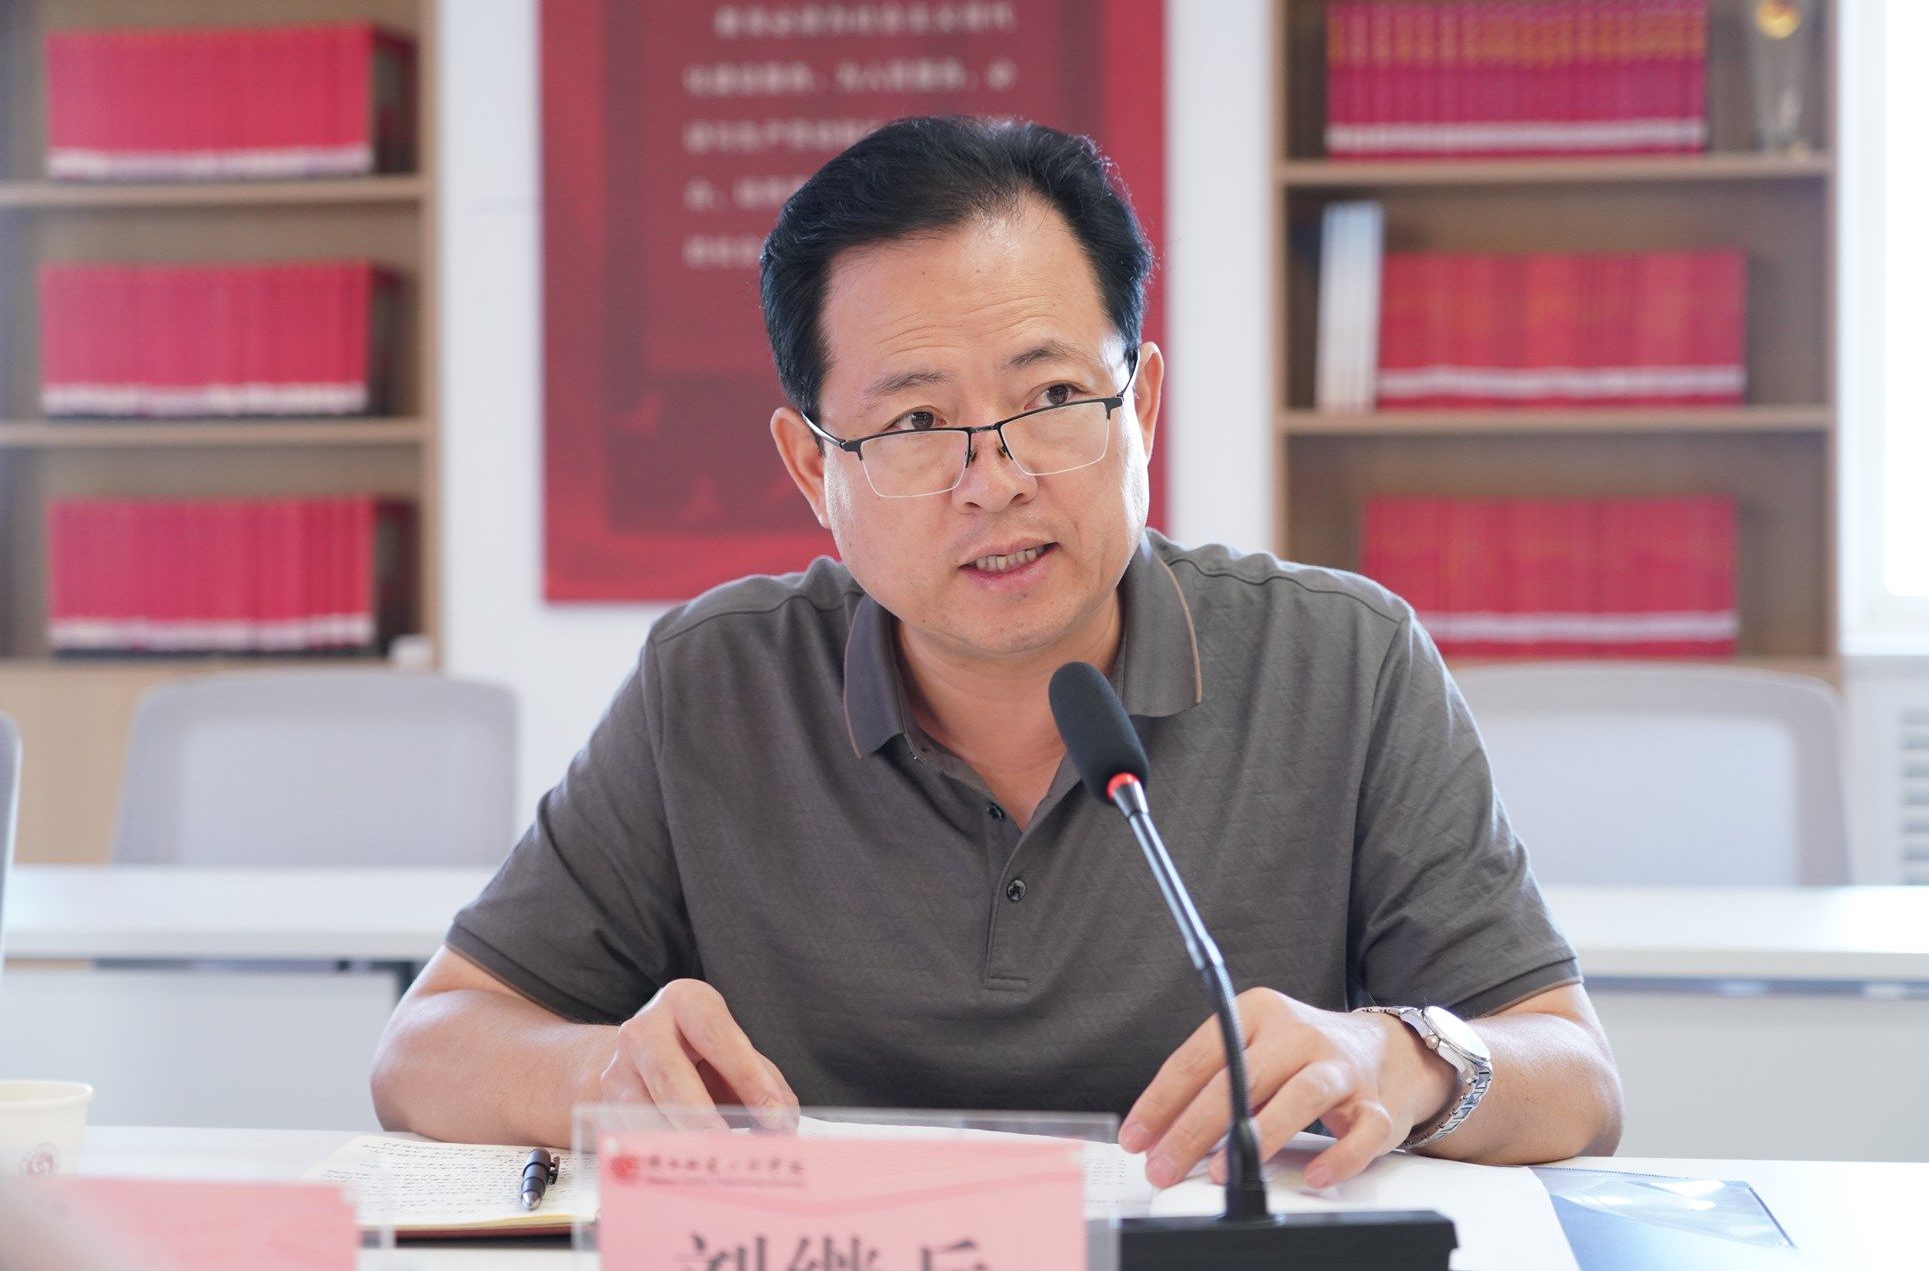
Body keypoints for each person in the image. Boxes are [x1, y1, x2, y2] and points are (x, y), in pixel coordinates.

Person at [372, 116, 1622, 1190]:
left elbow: (1573, 1079)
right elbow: (426, 1046)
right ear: (813, 468)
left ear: (1140, 407)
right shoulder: (717, 683)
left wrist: (1400, 1058)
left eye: (1052, 399)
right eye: (916, 420)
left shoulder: (1342, 662)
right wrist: (596, 1070)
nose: (996, 478)